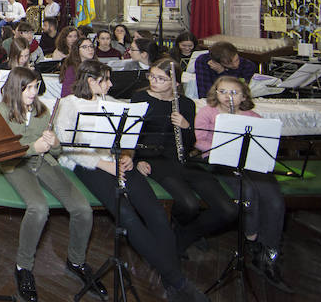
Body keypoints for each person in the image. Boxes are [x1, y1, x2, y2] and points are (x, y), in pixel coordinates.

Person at [55, 61, 209, 302]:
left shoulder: (114, 103)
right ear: (91, 81)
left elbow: (131, 138)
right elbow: (66, 145)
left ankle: (172, 282)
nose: (111, 84)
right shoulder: (68, 104)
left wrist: (128, 156)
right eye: (106, 79)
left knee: (157, 214)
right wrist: (104, 164)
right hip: (89, 164)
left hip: (118, 162)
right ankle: (179, 283)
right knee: (126, 216)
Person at [0, 68, 107, 302]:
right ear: (16, 87)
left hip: (43, 162)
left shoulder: (42, 109)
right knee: (39, 208)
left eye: (35, 87)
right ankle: (23, 267)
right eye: (27, 88)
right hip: (15, 165)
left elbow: (56, 150)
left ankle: (76, 260)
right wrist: (32, 148)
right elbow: (3, 155)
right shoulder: (2, 111)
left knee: (82, 209)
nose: (32, 92)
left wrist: (55, 142)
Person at [132, 59, 237, 259]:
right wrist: (137, 161)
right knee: (189, 205)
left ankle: (185, 234)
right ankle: (180, 234)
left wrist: (186, 126)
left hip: (183, 160)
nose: (154, 81)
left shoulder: (185, 104)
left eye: (161, 79)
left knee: (229, 210)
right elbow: (132, 135)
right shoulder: (140, 98)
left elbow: (190, 144)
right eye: (152, 76)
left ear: (175, 83)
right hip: (155, 160)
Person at [194, 76, 290, 292]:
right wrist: (218, 148)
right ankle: (252, 238)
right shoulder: (208, 112)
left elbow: (265, 142)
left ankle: (269, 253)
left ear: (244, 96)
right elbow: (199, 139)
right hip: (222, 162)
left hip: (252, 163)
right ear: (215, 92)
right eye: (223, 91)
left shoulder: (252, 116)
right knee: (247, 192)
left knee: (273, 200)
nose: (228, 96)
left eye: (234, 93)